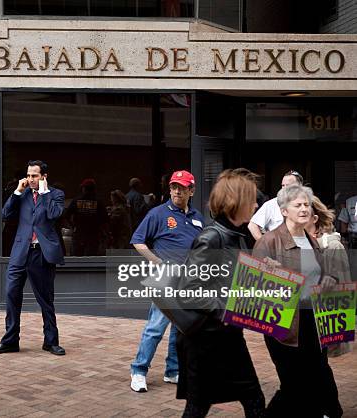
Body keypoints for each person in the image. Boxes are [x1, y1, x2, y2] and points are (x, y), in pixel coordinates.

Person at [177, 168, 265, 417]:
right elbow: (188, 290)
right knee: (199, 406)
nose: (256, 203)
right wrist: (227, 309)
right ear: (235, 202)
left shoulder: (236, 236)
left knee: (251, 399)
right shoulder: (211, 237)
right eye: (251, 198)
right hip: (206, 341)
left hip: (226, 336)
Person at [253, 184, 342, 418]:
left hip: (312, 320)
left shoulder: (311, 241)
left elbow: (320, 274)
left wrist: (329, 279)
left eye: (306, 204)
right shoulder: (268, 242)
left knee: (313, 381)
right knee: (292, 385)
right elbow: (254, 287)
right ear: (284, 211)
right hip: (283, 323)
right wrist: (278, 276)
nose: (304, 209)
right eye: (298, 205)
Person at [129, 170, 204, 393]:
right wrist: (158, 262)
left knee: (180, 329)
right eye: (173, 187)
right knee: (155, 327)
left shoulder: (198, 218)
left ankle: (172, 371)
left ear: (192, 190)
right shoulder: (158, 213)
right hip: (165, 278)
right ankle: (139, 371)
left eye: (182, 187)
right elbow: (138, 241)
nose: (177, 191)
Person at [0, 160, 66, 355]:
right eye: (29, 175)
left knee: (45, 299)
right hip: (20, 251)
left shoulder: (55, 194)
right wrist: (17, 191)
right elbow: (5, 214)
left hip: (41, 253)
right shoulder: (21, 194)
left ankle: (51, 341)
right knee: (11, 294)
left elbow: (54, 214)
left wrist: (45, 192)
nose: (30, 179)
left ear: (44, 177)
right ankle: (10, 341)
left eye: (35, 176)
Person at [306, 196, 352, 357]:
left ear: (315, 218)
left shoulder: (332, 246)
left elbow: (341, 292)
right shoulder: (291, 243)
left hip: (319, 324)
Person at [248, 170, 303, 241]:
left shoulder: (308, 204)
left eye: (289, 185)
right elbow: (252, 225)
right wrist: (265, 246)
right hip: (279, 248)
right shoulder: (272, 204)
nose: (284, 188)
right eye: (283, 185)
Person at [65, 178, 108, 256]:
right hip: (93, 233)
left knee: (77, 256)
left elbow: (67, 215)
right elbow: (105, 218)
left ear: (83, 188)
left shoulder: (76, 200)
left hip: (79, 232)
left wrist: (73, 226)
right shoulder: (98, 202)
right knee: (91, 257)